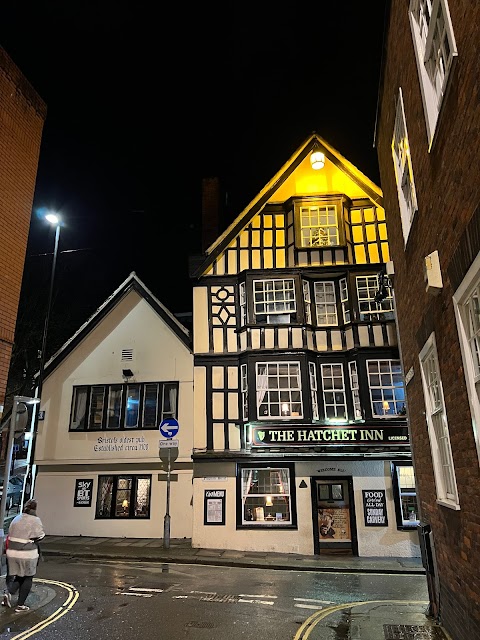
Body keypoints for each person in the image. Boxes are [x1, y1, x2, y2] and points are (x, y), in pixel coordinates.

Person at [2, 499, 45, 613]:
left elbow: (10, 533)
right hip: (26, 553)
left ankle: (8, 593)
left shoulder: (16, 518)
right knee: (28, 577)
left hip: (12, 552)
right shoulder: (35, 520)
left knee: (20, 576)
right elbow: (40, 536)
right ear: (34, 509)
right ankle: (20, 605)